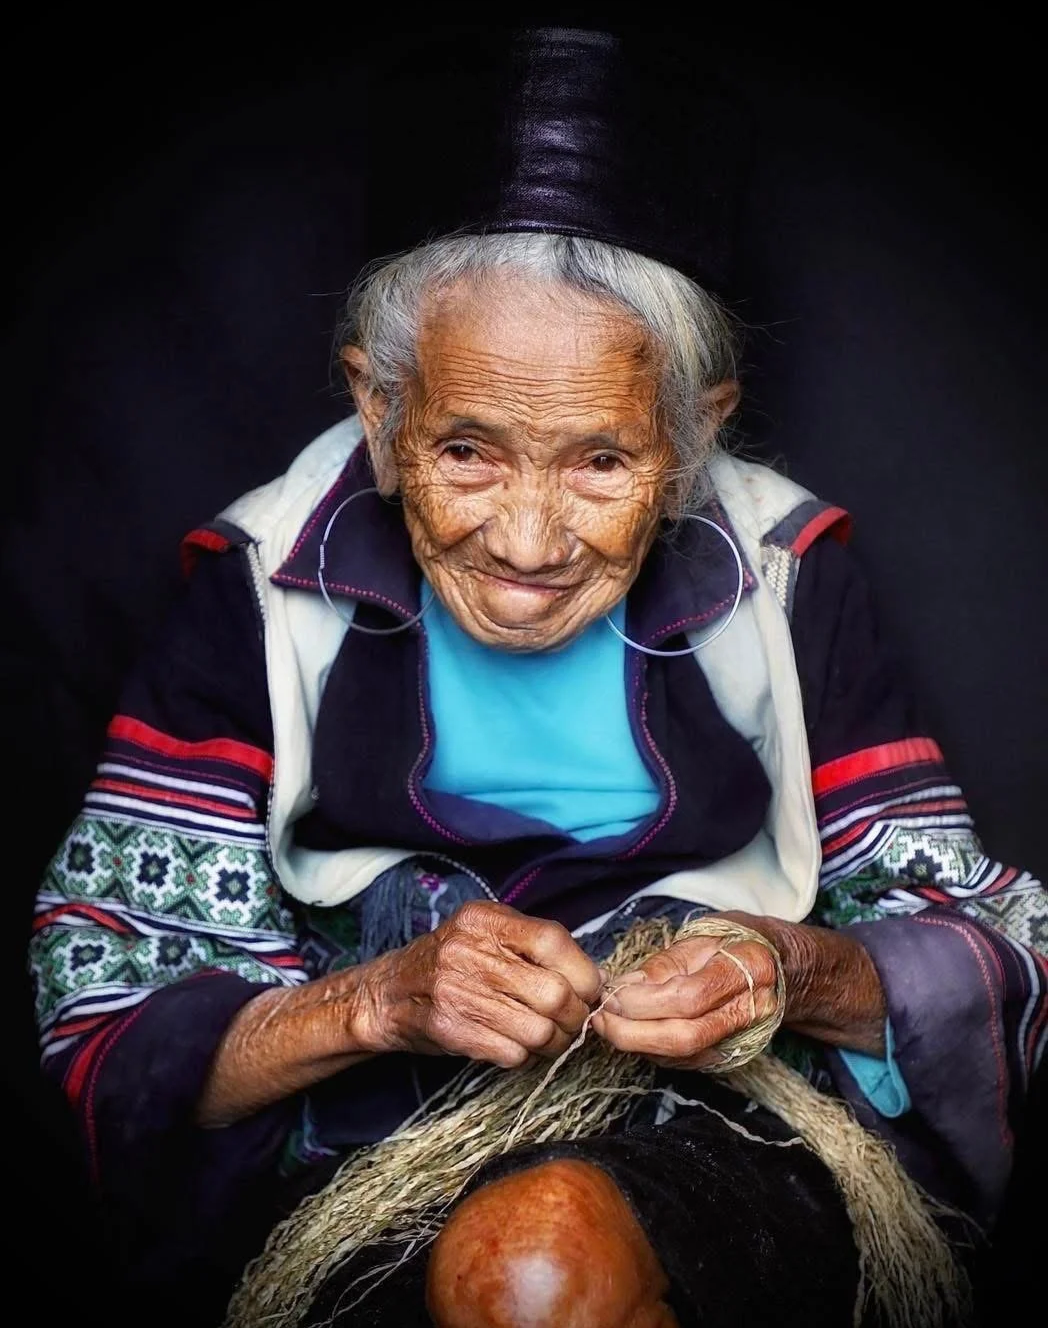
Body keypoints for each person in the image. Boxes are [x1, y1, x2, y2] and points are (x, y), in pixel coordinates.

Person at [27, 26, 1046, 1328]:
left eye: (600, 463)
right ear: (380, 413)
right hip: (365, 1153)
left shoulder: (791, 578)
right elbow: (109, 1009)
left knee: (547, 1264)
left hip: (724, 1134)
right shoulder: (260, 581)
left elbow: (987, 943)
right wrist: (384, 1002)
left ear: (693, 438)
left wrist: (785, 975)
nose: (525, 544)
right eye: (465, 451)